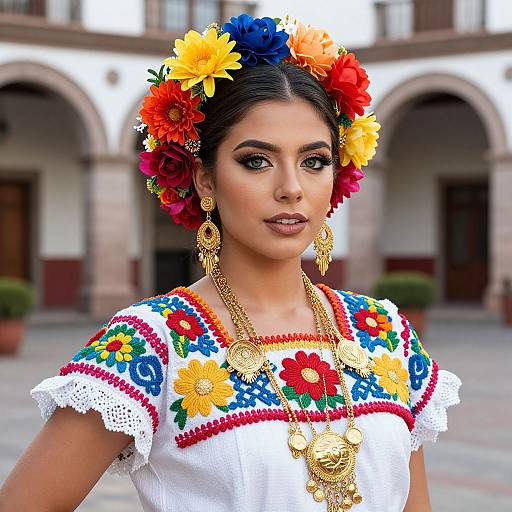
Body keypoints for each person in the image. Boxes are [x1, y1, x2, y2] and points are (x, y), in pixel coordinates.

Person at [0, 14, 461, 512]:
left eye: (314, 160)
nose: (291, 187)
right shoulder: (153, 345)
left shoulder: (384, 331)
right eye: (256, 160)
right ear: (204, 180)